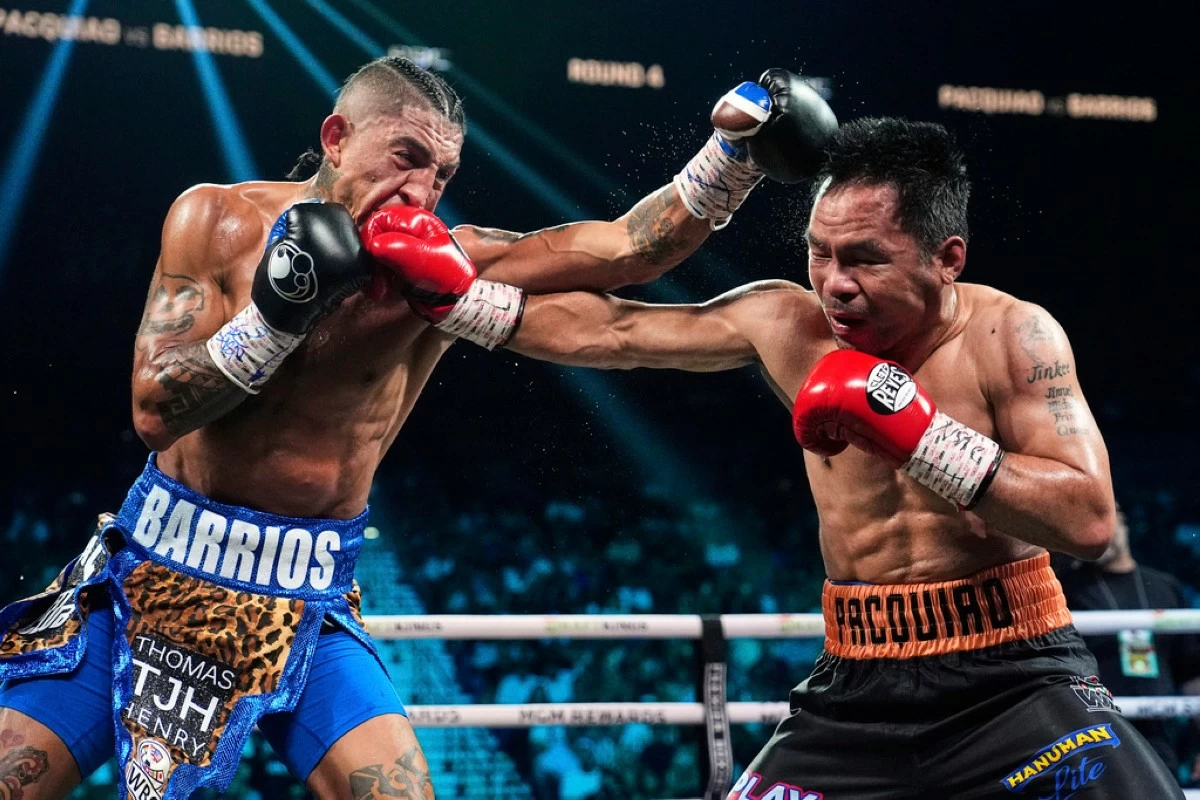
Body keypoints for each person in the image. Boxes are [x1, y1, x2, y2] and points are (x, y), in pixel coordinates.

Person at [0, 57, 832, 800]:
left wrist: (733, 157)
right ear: (336, 137)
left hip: (306, 596)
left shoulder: (440, 271)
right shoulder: (216, 221)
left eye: (442, 173)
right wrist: (276, 316)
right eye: (407, 159)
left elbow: (624, 251)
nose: (423, 193)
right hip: (152, 570)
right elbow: (154, 408)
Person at [424, 117, 1186, 796]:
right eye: (818, 253)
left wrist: (921, 436)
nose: (834, 284)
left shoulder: (1013, 336)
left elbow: (1088, 520)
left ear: (946, 256)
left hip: (1015, 677)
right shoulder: (786, 323)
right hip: (857, 687)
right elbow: (615, 332)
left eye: (865, 259)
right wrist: (455, 301)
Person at [1056, 504, 1200, 785]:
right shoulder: (1067, 588)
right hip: (1093, 731)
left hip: (1159, 733)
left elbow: (1191, 670)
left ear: (1121, 521)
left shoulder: (1164, 586)